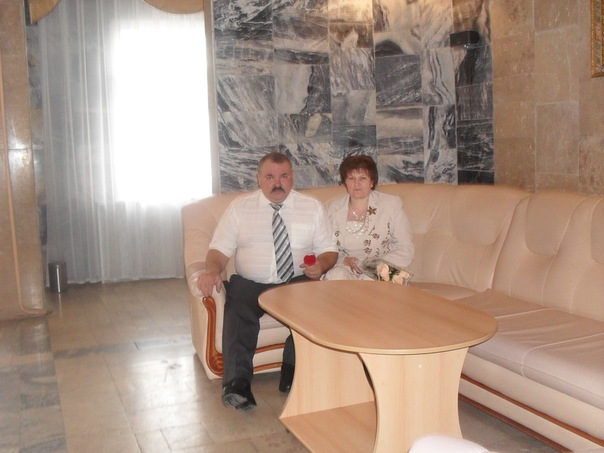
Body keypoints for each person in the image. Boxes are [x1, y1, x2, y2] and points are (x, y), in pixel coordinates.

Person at [197, 152, 338, 411]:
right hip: (251, 284)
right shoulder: (240, 208)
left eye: (284, 176)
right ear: (259, 179)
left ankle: (293, 372)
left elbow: (329, 250)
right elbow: (219, 249)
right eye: (270, 177)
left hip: (297, 281)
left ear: (292, 177)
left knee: (314, 307)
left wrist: (321, 264)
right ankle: (237, 384)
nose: (277, 183)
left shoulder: (311, 207)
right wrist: (212, 270)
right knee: (237, 307)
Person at [323, 155, 414, 280]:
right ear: (345, 182)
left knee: (370, 279)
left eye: (362, 178)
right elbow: (323, 247)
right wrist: (344, 260)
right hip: (345, 267)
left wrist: (372, 265)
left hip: (382, 266)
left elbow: (405, 248)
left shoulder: (391, 205)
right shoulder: (330, 209)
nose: (357, 183)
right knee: (336, 276)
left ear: (372, 182)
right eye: (351, 178)